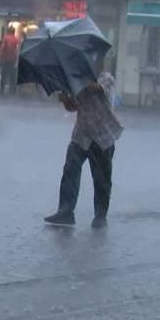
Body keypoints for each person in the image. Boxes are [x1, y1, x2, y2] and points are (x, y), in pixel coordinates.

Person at [44, 72, 123, 229]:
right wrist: (65, 98)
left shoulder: (105, 78)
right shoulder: (76, 79)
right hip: (82, 135)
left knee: (102, 179)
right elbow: (73, 106)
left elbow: (97, 89)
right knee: (70, 171)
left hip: (102, 136)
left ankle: (100, 216)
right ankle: (65, 211)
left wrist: (74, 81)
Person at [0, 27, 21, 95]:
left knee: (4, 75)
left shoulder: (5, 38)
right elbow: (17, 50)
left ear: (8, 31)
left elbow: (2, 47)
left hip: (5, 58)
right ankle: (13, 90)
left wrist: (1, 56)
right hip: (12, 59)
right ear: (14, 32)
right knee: (12, 75)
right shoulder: (16, 39)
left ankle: (2, 90)